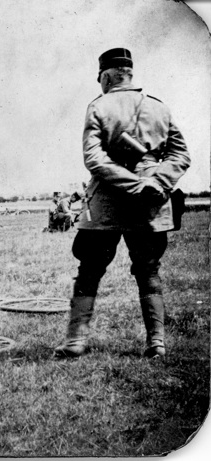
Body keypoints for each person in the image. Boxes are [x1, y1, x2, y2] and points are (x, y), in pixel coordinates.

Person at [54, 48, 191, 359]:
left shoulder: (99, 106)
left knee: (89, 269)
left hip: (107, 203)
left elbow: (94, 159)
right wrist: (154, 183)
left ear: (105, 76)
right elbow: (181, 155)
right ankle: (156, 343)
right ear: (128, 74)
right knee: (149, 271)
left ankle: (75, 341)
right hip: (151, 206)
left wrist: (134, 185)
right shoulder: (160, 107)